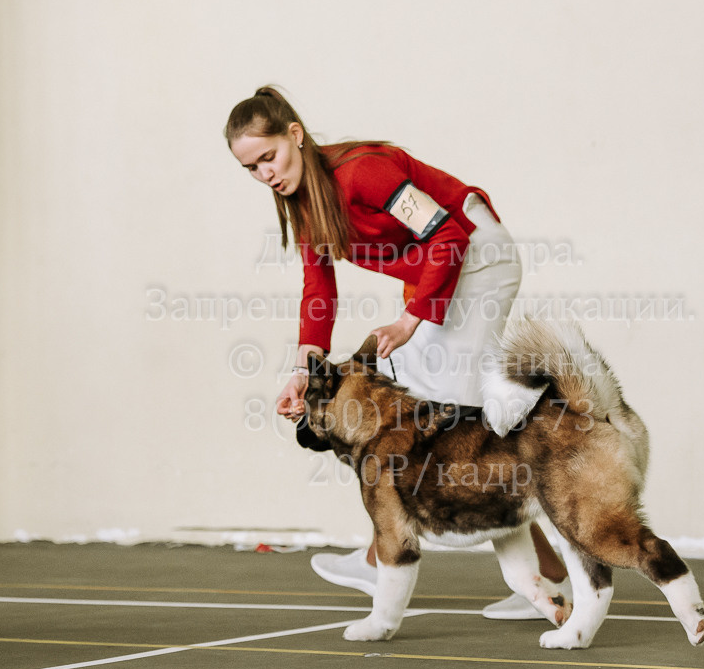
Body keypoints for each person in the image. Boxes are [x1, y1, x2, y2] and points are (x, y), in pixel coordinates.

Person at [226, 86, 567, 619]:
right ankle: (539, 572)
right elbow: (319, 292)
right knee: (407, 404)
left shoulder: (363, 172)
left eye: (269, 157)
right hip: (441, 278)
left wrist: (412, 318)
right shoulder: (306, 207)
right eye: (251, 168)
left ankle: (394, 556)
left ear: (295, 135)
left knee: (452, 419)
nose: (265, 174)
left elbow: (448, 235)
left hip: (477, 259)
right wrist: (300, 371)